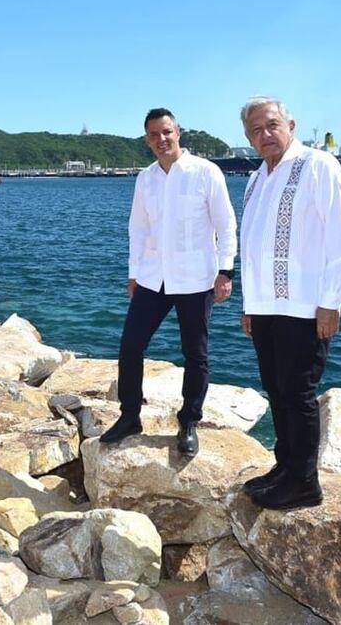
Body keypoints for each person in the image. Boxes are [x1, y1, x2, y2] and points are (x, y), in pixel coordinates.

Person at [237, 97, 341, 510]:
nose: (265, 135)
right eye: (255, 130)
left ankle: (305, 482)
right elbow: (251, 246)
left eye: (271, 125)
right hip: (266, 307)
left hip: (305, 305)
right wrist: (250, 305)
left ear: (290, 124)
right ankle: (285, 467)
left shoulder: (319, 166)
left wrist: (331, 302)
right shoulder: (256, 179)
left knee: (298, 392)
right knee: (275, 389)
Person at [99, 107, 237, 457]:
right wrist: (134, 273)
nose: (161, 140)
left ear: (178, 133)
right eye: (154, 135)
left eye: (166, 132)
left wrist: (226, 272)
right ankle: (130, 415)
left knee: (196, 352)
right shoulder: (145, 178)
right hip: (152, 278)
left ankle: (189, 421)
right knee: (131, 345)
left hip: (196, 278)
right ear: (147, 140)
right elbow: (138, 229)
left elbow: (226, 225)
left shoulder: (205, 172)